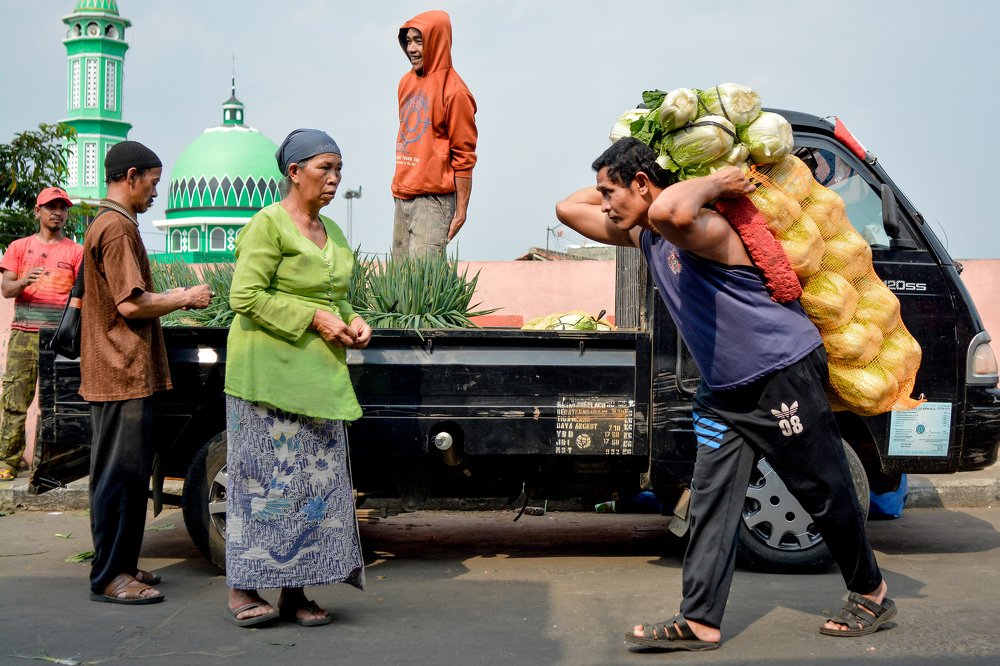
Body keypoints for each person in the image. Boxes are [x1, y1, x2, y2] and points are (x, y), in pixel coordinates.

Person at [555, 137, 896, 651]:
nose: (603, 203)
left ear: (644, 186)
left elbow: (671, 206)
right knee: (712, 501)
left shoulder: (709, 229)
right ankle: (700, 620)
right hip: (724, 392)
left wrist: (712, 180)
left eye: (612, 192)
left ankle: (872, 592)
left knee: (823, 490)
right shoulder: (648, 233)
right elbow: (566, 208)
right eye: (603, 193)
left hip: (779, 376)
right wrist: (628, 171)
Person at [223, 129, 371, 628]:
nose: (333, 179)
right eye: (323, 168)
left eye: (338, 170)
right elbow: (244, 297)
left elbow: (336, 294)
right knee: (261, 484)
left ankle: (295, 591)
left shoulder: (333, 232)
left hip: (317, 379)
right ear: (293, 172)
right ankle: (242, 588)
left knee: (310, 488)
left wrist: (352, 320)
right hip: (265, 378)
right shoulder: (267, 225)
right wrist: (313, 319)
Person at [80, 141, 212, 604]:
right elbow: (130, 303)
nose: (156, 193)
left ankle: (120, 564)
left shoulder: (109, 223)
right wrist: (186, 297)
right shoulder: (116, 230)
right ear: (130, 176)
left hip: (117, 371)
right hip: (121, 372)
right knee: (121, 477)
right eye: (153, 183)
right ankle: (111, 576)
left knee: (123, 475)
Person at [0, 187, 83, 481]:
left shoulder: (76, 251)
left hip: (58, 339)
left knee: (57, 403)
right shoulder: (19, 248)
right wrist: (24, 280)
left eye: (62, 207)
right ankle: (8, 460)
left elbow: (81, 294)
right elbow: (6, 290)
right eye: (51, 206)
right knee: (15, 400)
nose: (58, 212)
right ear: (38, 211)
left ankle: (49, 464)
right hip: (24, 334)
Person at [392, 9, 478, 259]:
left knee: (423, 283)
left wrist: (461, 210)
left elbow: (464, 154)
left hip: (434, 200)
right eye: (408, 41)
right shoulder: (405, 82)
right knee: (399, 283)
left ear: (437, 41)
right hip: (402, 196)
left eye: (419, 41)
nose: (412, 49)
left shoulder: (455, 91)